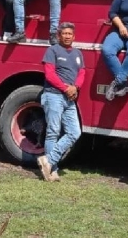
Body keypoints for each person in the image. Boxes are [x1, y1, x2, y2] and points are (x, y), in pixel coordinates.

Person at [37, 22, 86, 182]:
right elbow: (49, 75)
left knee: (75, 132)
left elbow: (82, 73)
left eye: (69, 34)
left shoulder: (78, 53)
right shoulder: (52, 50)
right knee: (53, 132)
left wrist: (76, 87)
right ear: (59, 35)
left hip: (69, 98)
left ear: (74, 36)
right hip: (54, 96)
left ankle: (48, 161)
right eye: (64, 33)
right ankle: (53, 171)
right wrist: (66, 88)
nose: (67, 36)